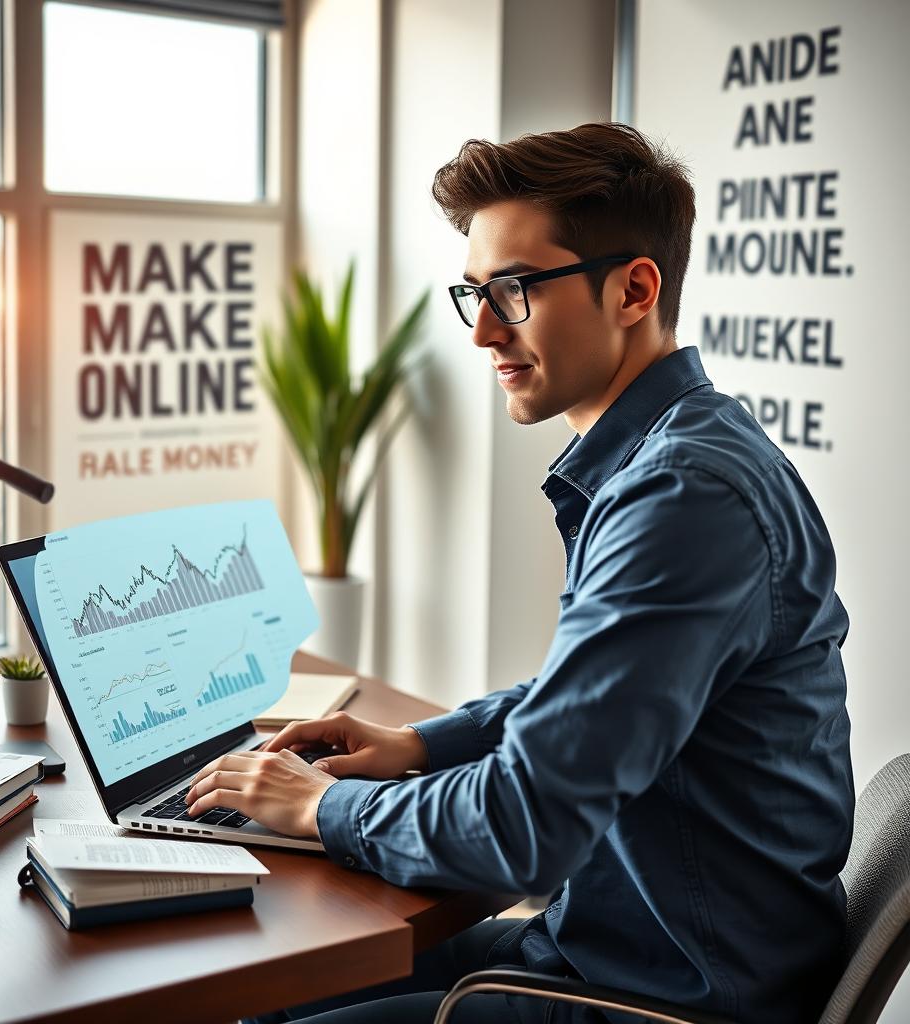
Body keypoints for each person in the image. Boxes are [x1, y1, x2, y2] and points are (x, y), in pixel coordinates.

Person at [184, 123, 854, 1024]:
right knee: (274, 985)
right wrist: (420, 746)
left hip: (663, 997)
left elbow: (523, 829)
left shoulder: (685, 496)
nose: (485, 331)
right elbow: (586, 698)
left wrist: (320, 811)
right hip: (617, 945)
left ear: (634, 289)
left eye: (515, 290)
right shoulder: (674, 456)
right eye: (475, 294)